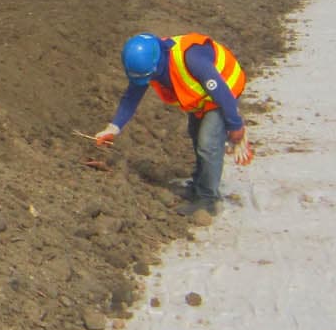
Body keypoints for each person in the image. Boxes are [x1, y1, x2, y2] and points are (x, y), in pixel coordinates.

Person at [92, 32, 253, 214]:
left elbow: (221, 90)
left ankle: (208, 200)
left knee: (208, 143)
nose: (147, 81)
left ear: (157, 63)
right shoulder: (151, 62)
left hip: (225, 91)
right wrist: (113, 128)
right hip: (202, 98)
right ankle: (198, 186)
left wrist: (235, 124)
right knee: (195, 133)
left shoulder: (192, 58)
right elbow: (132, 96)